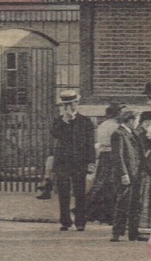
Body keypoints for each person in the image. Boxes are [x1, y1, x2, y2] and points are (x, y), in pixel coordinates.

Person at [48, 89, 96, 232]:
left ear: (77, 103)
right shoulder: (58, 121)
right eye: (66, 105)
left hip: (80, 162)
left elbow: (90, 143)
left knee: (80, 193)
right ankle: (65, 221)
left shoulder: (85, 121)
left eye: (72, 103)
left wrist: (91, 162)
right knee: (63, 192)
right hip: (63, 162)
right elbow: (55, 134)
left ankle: (80, 221)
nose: (69, 107)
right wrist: (64, 121)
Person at [108, 108, 146, 243]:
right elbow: (118, 156)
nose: (137, 123)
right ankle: (116, 233)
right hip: (126, 175)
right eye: (135, 120)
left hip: (135, 174)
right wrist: (124, 174)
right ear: (129, 120)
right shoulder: (118, 134)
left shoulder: (132, 133)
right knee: (123, 203)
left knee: (135, 204)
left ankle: (133, 233)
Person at [89, 102, 124, 224]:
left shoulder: (102, 125)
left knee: (102, 183)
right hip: (112, 156)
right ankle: (109, 214)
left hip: (104, 156)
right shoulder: (115, 126)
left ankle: (100, 213)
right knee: (111, 184)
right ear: (117, 114)